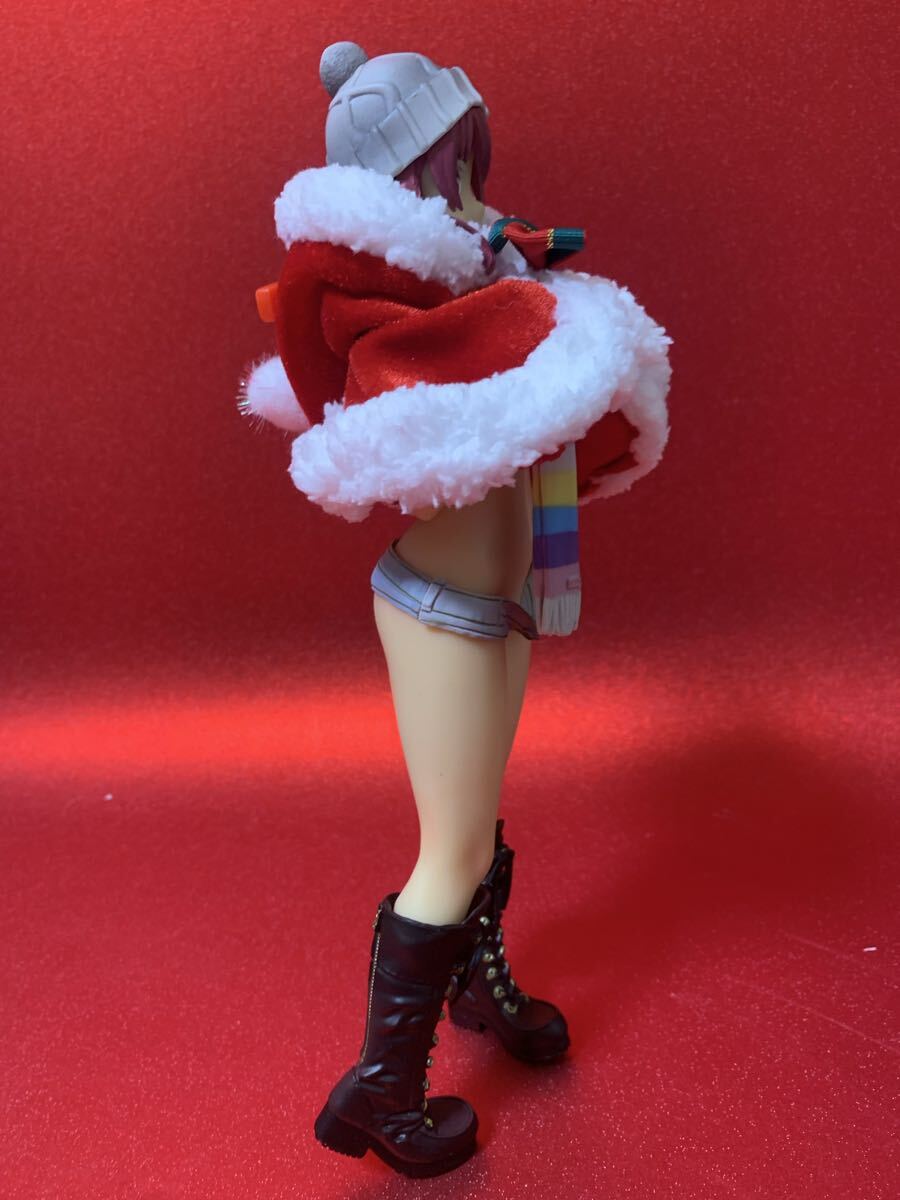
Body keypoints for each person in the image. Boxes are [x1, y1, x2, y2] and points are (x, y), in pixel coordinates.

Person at [238, 41, 673, 1178]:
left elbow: (530, 358)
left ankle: (474, 986)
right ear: (416, 170)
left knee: (480, 816)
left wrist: (512, 268)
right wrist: (522, 298)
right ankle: (379, 1089)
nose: (474, 187)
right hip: (443, 607)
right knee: (454, 842)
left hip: (496, 600)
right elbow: (463, 366)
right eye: (454, 165)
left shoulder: (478, 267)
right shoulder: (393, 298)